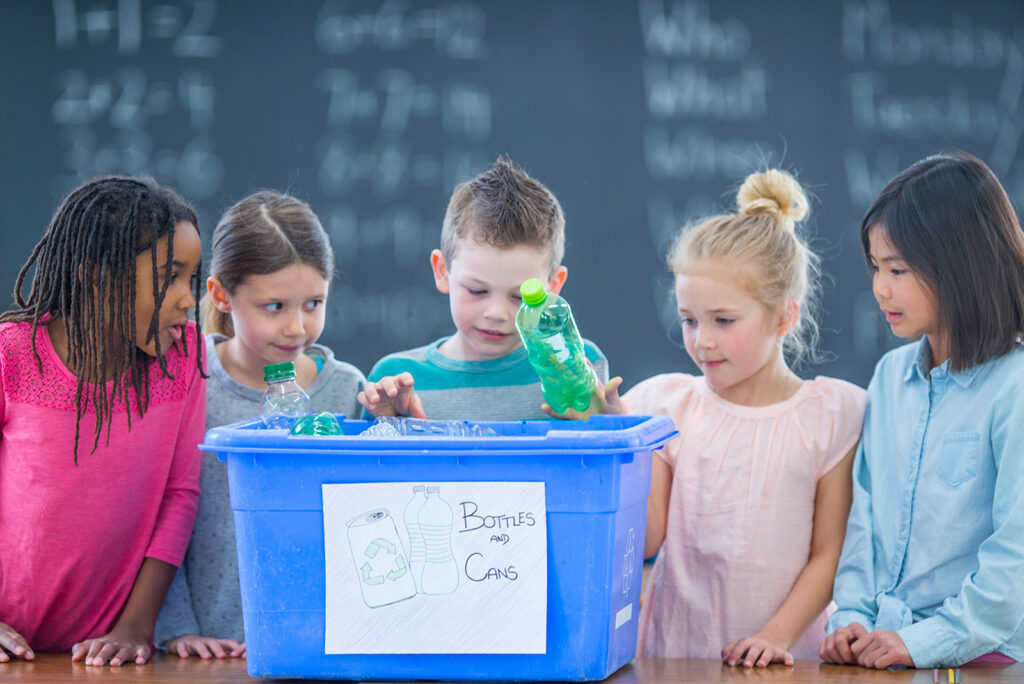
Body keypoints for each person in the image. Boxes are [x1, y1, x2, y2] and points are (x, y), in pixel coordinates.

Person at [623, 169, 867, 666]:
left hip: (786, 663)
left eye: (723, 320)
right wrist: (615, 436)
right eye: (689, 320)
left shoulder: (830, 417)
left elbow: (829, 554)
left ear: (784, 316)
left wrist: (773, 637)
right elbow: (647, 538)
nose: (701, 340)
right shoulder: (669, 407)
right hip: (677, 660)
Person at [820, 152, 1024, 669]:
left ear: (962, 264)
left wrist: (926, 642)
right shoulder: (890, 378)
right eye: (875, 267)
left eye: (899, 269)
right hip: (887, 648)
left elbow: (1015, 557)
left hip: (986, 653)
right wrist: (851, 617)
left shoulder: (1014, 385)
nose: (880, 288)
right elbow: (864, 518)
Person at [0, 176, 206, 666]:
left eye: (191, 279)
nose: (187, 299)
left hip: (105, 655)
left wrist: (136, 624)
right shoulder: (11, 355)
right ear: (98, 275)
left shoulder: (184, 356)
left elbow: (180, 494)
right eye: (168, 278)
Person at [154, 191, 367, 659]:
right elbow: (153, 513)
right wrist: (175, 629)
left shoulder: (347, 390)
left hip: (317, 647)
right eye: (274, 306)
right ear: (220, 296)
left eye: (314, 302)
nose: (297, 327)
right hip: (200, 650)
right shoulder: (184, 377)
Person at [359, 156, 614, 420]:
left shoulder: (575, 368)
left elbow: (610, 457)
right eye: (477, 291)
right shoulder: (395, 382)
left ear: (553, 288)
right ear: (442, 271)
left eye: (519, 296)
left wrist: (609, 422)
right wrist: (391, 421)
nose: (496, 313)